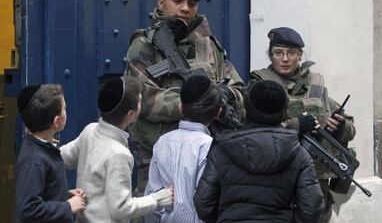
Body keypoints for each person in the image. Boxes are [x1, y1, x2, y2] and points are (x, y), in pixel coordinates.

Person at [125, 0, 245, 196]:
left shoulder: (209, 46)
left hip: (207, 153)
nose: (185, 8)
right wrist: (200, 102)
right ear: (161, 3)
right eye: (177, 1)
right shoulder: (144, 46)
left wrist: (227, 95)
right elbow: (144, 98)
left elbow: (239, 89)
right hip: (158, 155)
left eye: (191, 3)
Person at [248, 27, 356, 223]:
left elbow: (349, 127)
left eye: (291, 53)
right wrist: (296, 125)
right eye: (278, 53)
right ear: (270, 55)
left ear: (300, 55)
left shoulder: (315, 83)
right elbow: (253, 129)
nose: (285, 58)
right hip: (277, 177)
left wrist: (339, 127)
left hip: (316, 178)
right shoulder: (260, 84)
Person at [194, 80, 324, 223]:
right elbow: (311, 210)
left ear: (246, 109)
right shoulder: (299, 155)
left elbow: (203, 205)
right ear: (284, 113)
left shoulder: (222, 150)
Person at [60, 76, 174, 223]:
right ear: (131, 115)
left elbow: (61, 157)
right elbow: (121, 209)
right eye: (139, 102)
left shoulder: (90, 130)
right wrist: (157, 199)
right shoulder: (119, 154)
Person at [144, 75, 222, 223]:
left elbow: (152, 198)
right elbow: (208, 203)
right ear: (218, 113)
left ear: (180, 108)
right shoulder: (210, 147)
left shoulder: (162, 142)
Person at [15, 84, 86, 223]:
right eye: (64, 109)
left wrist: (63, 195)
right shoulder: (34, 161)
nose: (66, 111)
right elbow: (28, 210)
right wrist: (67, 207)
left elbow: (40, 191)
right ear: (56, 122)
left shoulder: (42, 148)